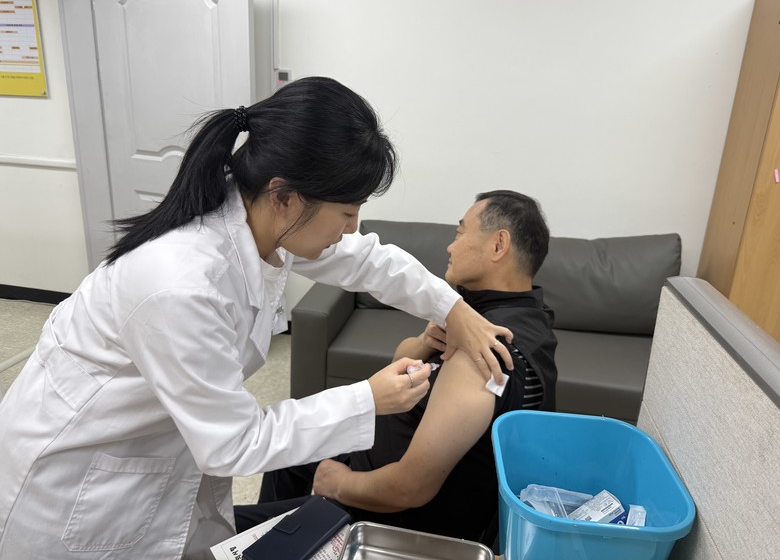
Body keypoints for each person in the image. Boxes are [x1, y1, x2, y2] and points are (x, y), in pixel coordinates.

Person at [0, 78, 515, 560]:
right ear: (285, 195)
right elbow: (233, 443)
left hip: (160, 457)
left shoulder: (260, 217)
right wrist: (367, 399)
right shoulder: (179, 283)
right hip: (74, 486)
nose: (352, 228)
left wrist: (454, 309)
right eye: (346, 211)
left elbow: (366, 260)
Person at [235, 190, 558, 542]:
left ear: (498, 245)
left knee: (222, 533)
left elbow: (410, 488)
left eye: (460, 232)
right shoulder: (518, 317)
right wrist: (425, 343)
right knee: (287, 456)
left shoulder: (482, 354)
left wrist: (339, 484)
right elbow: (403, 358)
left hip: (382, 509)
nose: (450, 247)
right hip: (370, 454)